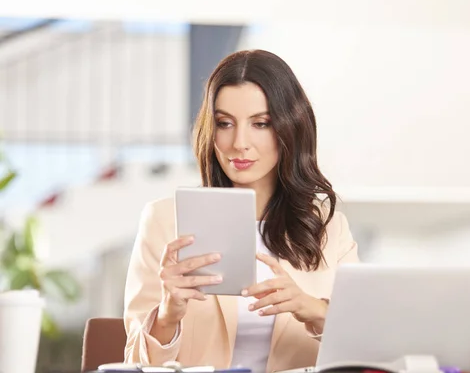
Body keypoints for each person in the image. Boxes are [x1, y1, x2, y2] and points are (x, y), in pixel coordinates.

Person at [123, 49, 359, 373]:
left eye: (260, 123)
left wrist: (313, 309)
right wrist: (167, 314)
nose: (239, 143)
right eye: (224, 123)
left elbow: (366, 349)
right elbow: (132, 364)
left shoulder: (329, 230)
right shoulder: (165, 221)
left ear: (290, 127)